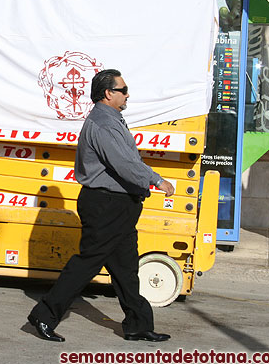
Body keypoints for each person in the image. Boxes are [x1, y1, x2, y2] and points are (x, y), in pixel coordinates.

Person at [28, 69, 175, 343]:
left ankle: (138, 325)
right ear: (109, 93)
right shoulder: (104, 124)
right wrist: (156, 179)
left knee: (126, 268)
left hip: (118, 204)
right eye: (123, 89)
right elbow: (124, 164)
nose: (127, 94)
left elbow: (126, 161)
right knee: (88, 263)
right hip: (107, 204)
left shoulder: (112, 120)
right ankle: (44, 315)